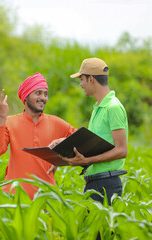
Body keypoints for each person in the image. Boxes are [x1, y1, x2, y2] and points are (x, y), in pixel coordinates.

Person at [50, 58, 128, 205]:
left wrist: (87, 161)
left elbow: (121, 150)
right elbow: (94, 146)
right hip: (94, 183)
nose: (81, 84)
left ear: (91, 79)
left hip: (107, 184)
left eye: (82, 79)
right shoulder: (98, 108)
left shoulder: (113, 108)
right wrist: (64, 144)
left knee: (104, 228)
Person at [0, 72, 76, 200]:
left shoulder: (56, 123)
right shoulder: (9, 122)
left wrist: (62, 151)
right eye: (38, 93)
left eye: (45, 94)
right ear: (26, 97)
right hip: (14, 198)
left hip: (47, 198)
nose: (43, 98)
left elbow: (83, 141)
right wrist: (1, 118)